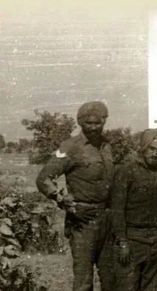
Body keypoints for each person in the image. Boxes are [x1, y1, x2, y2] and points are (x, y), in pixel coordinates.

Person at [36, 101, 114, 291]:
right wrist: (62, 201)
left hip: (108, 219)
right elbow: (44, 178)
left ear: (104, 122)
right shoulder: (70, 147)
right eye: (89, 123)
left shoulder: (107, 146)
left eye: (98, 123)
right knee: (83, 281)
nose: (94, 128)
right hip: (82, 222)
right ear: (80, 122)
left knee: (111, 278)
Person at [110, 128, 157, 291]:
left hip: (155, 242)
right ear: (143, 147)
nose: (155, 154)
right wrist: (122, 242)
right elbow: (117, 210)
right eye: (152, 149)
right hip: (131, 240)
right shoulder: (126, 171)